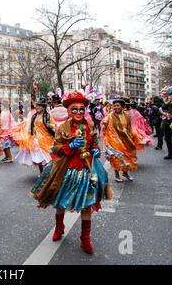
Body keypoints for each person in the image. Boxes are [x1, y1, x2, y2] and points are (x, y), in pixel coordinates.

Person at [31, 91, 111, 255]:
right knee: (61, 203)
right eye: (75, 110)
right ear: (69, 111)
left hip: (87, 169)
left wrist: (95, 151)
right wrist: (71, 146)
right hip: (66, 170)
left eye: (82, 109)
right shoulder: (63, 128)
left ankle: (85, 239)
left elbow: (95, 143)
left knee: (87, 206)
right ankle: (59, 228)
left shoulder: (89, 126)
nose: (79, 113)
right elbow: (56, 149)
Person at [102, 98, 143, 182]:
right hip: (114, 140)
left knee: (127, 157)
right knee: (116, 158)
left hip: (126, 139)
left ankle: (125, 173)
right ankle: (117, 175)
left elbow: (129, 127)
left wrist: (133, 135)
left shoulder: (127, 115)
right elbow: (104, 124)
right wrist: (103, 129)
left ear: (122, 107)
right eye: (114, 106)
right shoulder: (110, 115)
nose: (116, 107)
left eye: (118, 105)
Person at [15, 98, 56, 174]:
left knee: (47, 157)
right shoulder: (34, 116)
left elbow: (54, 125)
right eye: (37, 106)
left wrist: (50, 125)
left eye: (39, 106)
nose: (37, 107)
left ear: (43, 107)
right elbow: (27, 122)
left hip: (46, 139)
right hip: (36, 139)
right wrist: (18, 125)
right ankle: (42, 173)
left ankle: (48, 172)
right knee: (38, 158)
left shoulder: (47, 116)